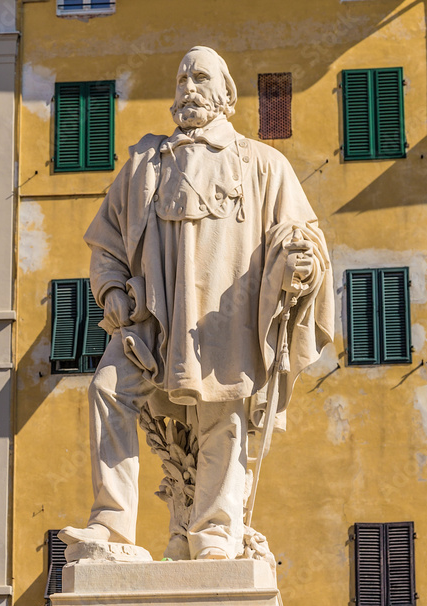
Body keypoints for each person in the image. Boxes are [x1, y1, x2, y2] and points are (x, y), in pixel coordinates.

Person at [59, 46, 333, 561]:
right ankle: (112, 527)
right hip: (150, 320)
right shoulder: (144, 163)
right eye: (181, 76)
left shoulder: (263, 164)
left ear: (227, 94)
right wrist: (111, 289)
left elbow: (303, 236)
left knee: (222, 419)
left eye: (200, 76)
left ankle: (213, 538)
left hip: (223, 319)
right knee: (108, 389)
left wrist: (300, 262)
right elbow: (106, 244)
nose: (187, 86)